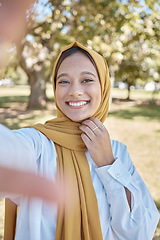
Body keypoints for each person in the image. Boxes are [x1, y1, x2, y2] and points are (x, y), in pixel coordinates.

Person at [0, 41, 159, 240]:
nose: (75, 91)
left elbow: (139, 231)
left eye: (87, 80)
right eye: (63, 81)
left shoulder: (117, 153)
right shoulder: (38, 143)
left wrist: (108, 164)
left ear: (103, 86)